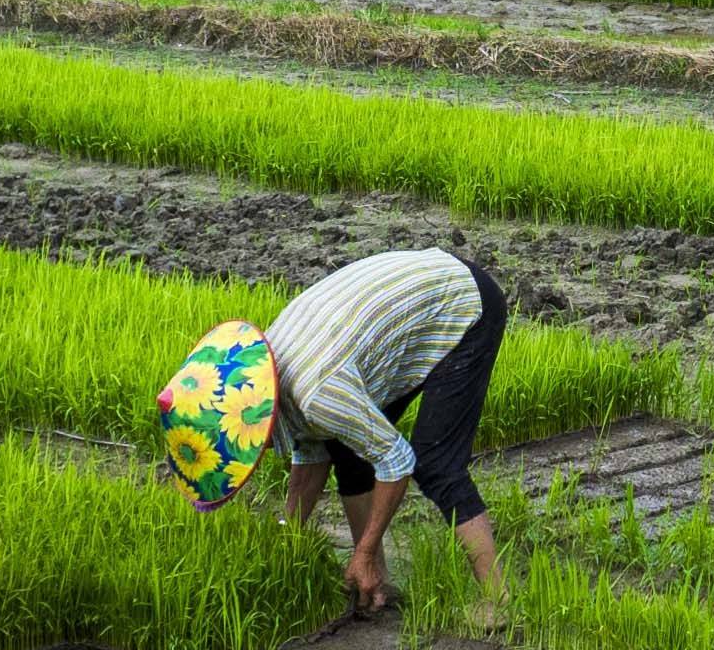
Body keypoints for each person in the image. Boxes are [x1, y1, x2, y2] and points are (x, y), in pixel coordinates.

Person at [157, 249, 515, 622]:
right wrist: (289, 538)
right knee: (346, 449)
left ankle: (498, 600)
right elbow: (311, 452)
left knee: (437, 464)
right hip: (406, 310)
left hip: (462, 303)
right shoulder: (267, 371)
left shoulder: (317, 393)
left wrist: (362, 551)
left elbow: (396, 460)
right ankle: (376, 586)